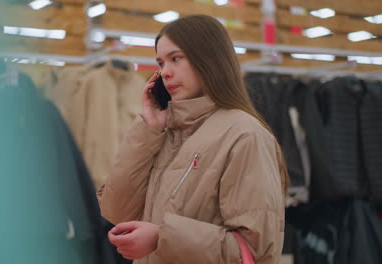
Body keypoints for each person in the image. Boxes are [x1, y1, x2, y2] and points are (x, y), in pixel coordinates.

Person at [97, 14, 289, 264]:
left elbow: (254, 251)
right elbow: (116, 211)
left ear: (208, 59)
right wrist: (148, 130)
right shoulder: (163, 131)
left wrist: (162, 238)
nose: (165, 72)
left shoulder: (244, 135)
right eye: (161, 63)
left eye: (176, 59)